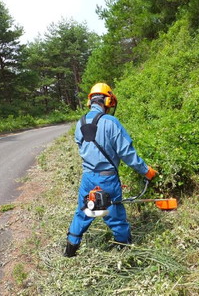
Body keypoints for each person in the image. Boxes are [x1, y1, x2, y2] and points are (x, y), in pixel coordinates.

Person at [64, 83, 158, 257]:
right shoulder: (111, 122)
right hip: (107, 180)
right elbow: (126, 153)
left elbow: (81, 148)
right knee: (115, 216)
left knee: (83, 212)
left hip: (87, 178)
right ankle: (124, 250)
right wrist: (146, 171)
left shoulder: (80, 123)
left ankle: (70, 250)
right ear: (107, 101)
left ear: (90, 101)